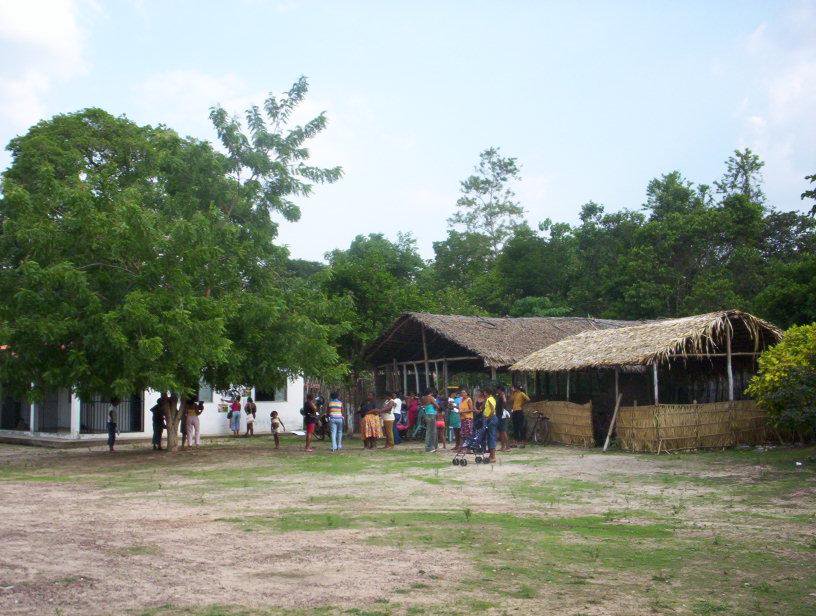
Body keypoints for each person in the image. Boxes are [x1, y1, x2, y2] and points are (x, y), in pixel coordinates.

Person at [483, 387, 498, 463]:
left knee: (491, 437)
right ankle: (491, 455)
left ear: (486, 392)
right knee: (489, 437)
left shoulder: (490, 399)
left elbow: (492, 409)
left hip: (491, 419)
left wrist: (488, 417)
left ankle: (493, 456)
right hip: (490, 418)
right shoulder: (490, 399)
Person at [496, 386, 510, 452]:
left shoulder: (502, 395)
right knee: (501, 431)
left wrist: (503, 407)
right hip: (499, 415)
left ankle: (507, 447)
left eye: (498, 390)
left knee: (503, 431)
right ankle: (503, 446)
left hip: (501, 415)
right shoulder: (499, 396)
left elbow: (504, 401)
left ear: (500, 390)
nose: (497, 391)